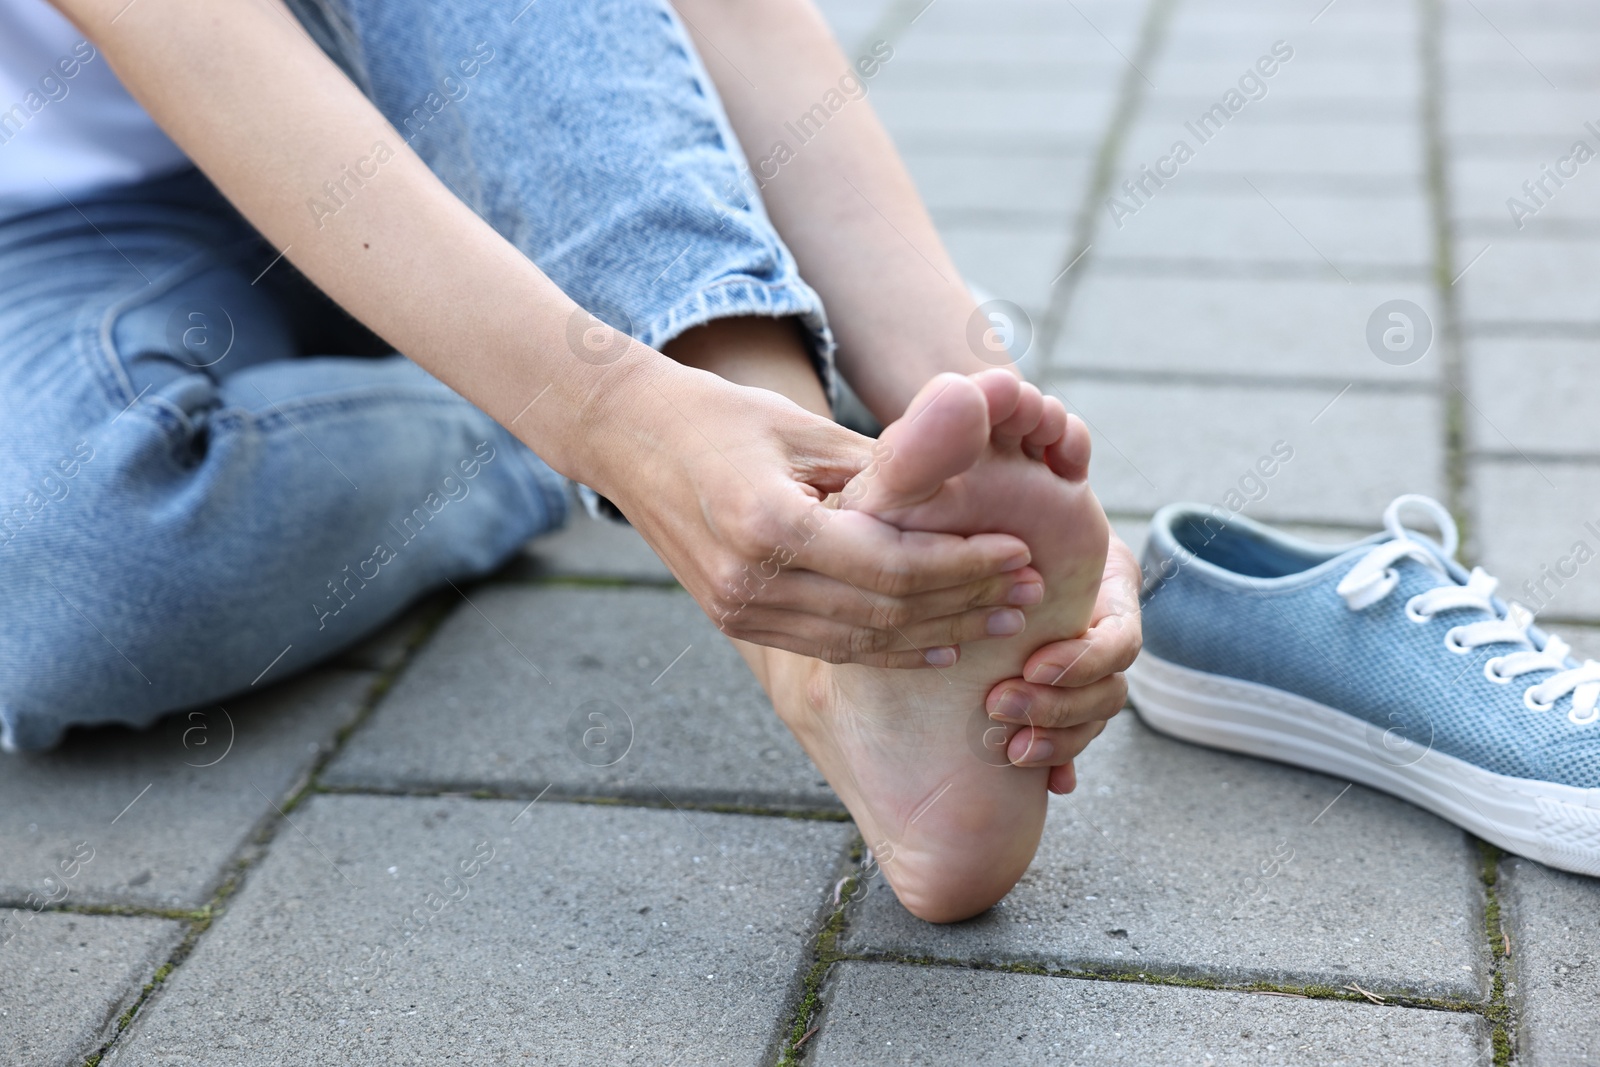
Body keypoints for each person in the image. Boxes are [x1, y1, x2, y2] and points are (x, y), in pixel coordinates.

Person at [1, 0, 1140, 920]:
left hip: (450, 132)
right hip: (57, 229)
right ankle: (554, 429)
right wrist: (604, 420)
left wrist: (987, 411)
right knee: (77, 563)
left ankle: (829, 645)